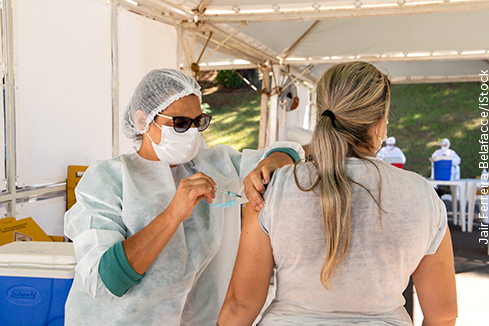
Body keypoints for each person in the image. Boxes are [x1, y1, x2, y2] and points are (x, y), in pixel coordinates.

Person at [218, 62, 457, 325]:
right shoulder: (422, 196)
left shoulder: (275, 188)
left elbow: (240, 305)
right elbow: (442, 315)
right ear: (380, 126)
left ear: (320, 116)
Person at [64, 69, 303, 326]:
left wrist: (268, 167)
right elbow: (106, 280)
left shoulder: (208, 166)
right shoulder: (108, 179)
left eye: (198, 122)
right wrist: (173, 214)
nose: (191, 133)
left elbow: (287, 153)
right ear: (144, 121)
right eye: (179, 123)